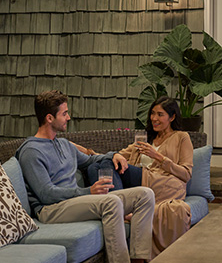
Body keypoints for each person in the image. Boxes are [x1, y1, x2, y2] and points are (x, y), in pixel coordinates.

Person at [16, 90, 154, 263]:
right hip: (51, 209)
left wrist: (113, 155)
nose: (69, 117)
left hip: (72, 203)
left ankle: (138, 259)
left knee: (145, 195)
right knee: (111, 202)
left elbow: (90, 160)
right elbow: (46, 193)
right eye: (64, 113)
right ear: (49, 118)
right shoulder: (31, 151)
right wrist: (88, 191)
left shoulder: (64, 144)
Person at [88, 96, 194, 259]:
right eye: (152, 113)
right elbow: (118, 155)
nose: (154, 118)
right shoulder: (146, 139)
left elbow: (186, 173)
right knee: (95, 165)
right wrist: (89, 153)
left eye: (160, 114)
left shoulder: (181, 137)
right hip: (141, 182)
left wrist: (158, 157)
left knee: (107, 162)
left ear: (172, 117)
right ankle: (119, 208)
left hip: (162, 183)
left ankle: (117, 209)